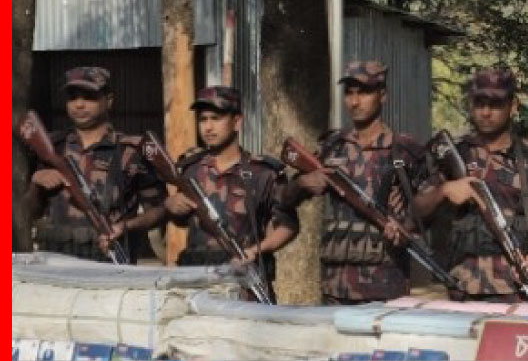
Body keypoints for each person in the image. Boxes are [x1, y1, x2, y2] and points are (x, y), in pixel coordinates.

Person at [286, 60, 429, 304]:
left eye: (363, 92)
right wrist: (302, 183)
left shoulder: (404, 150)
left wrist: (406, 226)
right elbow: (284, 198)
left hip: (385, 287)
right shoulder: (331, 146)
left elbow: (430, 206)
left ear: (382, 95)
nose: (354, 101)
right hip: (335, 288)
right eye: (349, 93)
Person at [418, 68, 528, 302]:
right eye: (479, 103)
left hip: (515, 288)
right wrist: (444, 190)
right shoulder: (453, 155)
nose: (486, 112)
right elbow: (416, 211)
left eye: (495, 104)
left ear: (513, 106)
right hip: (460, 288)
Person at [164, 85, 299, 300]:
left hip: (245, 286)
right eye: (203, 119)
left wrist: (256, 251)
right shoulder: (191, 170)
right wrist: (171, 206)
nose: (208, 127)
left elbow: (288, 226)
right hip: (198, 286)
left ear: (237, 122)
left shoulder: (262, 173)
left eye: (216, 118)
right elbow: (181, 222)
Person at [24, 67, 165, 262]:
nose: (79, 104)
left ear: (109, 100)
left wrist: (125, 227)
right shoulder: (51, 148)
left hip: (109, 262)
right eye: (72, 97)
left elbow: (160, 211)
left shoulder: (131, 151)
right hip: (55, 261)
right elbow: (29, 213)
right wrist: (35, 183)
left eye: (89, 97)